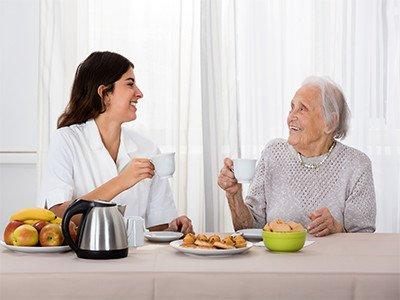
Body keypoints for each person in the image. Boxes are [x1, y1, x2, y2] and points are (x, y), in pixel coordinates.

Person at [39, 51, 193, 233]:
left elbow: (157, 227)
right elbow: (56, 216)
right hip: (81, 259)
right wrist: (121, 181)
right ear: (105, 94)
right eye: (130, 84)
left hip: (135, 259)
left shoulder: (148, 148)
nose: (139, 93)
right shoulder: (66, 140)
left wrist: (173, 228)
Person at [218, 76, 376, 237]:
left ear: (330, 122)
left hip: (331, 261)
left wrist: (337, 229)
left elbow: (364, 239)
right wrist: (234, 195)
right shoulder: (273, 153)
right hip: (277, 260)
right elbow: (249, 229)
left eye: (302, 109)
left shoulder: (356, 164)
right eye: (291, 108)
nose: (290, 117)